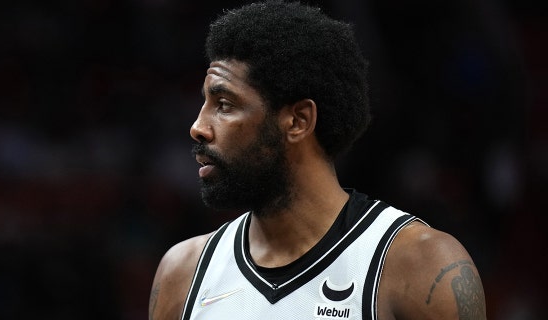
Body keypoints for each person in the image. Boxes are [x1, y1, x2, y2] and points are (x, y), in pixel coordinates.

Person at [149, 1, 487, 319]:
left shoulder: (420, 267)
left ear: (298, 121)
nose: (198, 127)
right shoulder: (182, 273)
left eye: (224, 104)